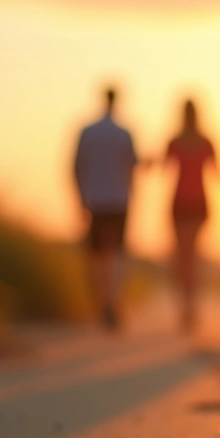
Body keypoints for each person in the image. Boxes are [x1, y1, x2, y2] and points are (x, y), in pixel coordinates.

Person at [73, 86, 139, 330]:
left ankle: (104, 304)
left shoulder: (88, 132)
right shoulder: (124, 133)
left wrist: (80, 197)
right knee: (117, 254)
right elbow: (132, 167)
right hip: (119, 200)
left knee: (98, 255)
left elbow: (76, 166)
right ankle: (113, 303)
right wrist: (134, 197)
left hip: (95, 200)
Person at [163, 99, 218, 333]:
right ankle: (189, 306)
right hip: (194, 204)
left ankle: (188, 307)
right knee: (190, 256)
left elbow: (162, 167)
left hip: (184, 204)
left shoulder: (176, 142)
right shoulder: (204, 143)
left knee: (184, 257)